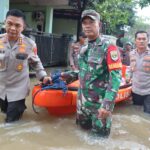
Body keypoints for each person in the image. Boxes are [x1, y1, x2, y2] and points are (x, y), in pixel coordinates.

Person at [62, 9, 122, 137]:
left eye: (91, 22)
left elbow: (115, 78)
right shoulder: (85, 48)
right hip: (82, 104)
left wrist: (107, 105)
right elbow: (85, 71)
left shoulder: (109, 47)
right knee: (81, 136)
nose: (87, 26)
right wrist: (67, 76)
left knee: (99, 142)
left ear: (98, 25)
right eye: (84, 23)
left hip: (99, 106)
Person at [0, 9, 51, 123]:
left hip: (18, 89)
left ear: (23, 27)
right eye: (10, 23)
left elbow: (35, 62)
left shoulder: (29, 44)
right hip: (1, 88)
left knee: (11, 123)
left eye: (17, 25)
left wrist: (43, 77)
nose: (13, 28)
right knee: (4, 112)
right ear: (5, 23)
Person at [130, 31, 150, 113]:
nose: (141, 41)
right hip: (135, 91)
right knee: (136, 113)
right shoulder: (131, 53)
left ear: (148, 40)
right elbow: (130, 69)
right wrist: (127, 78)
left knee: (147, 115)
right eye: (139, 39)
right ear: (135, 41)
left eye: (144, 39)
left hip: (148, 92)